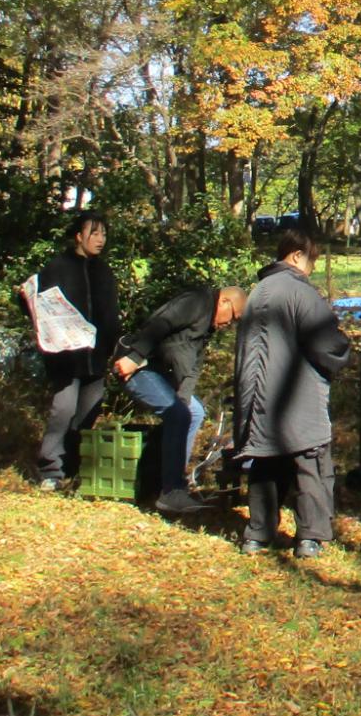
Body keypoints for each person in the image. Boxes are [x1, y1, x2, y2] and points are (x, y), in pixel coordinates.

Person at [230, 220, 350, 557]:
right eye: (311, 261)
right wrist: (344, 352)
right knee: (309, 461)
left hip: (257, 396)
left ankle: (257, 535)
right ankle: (310, 537)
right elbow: (327, 343)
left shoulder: (259, 291)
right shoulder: (300, 291)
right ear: (297, 256)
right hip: (296, 394)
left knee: (265, 462)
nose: (311, 269)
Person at [112, 282, 246, 515]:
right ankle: (171, 491)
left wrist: (183, 397)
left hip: (160, 375)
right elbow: (159, 323)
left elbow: (193, 368)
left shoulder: (207, 328)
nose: (229, 324)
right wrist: (134, 357)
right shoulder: (197, 301)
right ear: (224, 301)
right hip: (138, 368)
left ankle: (169, 485)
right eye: (233, 317)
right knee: (178, 414)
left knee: (192, 412)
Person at [28, 211, 120, 492]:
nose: (100, 239)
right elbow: (38, 304)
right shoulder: (58, 267)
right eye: (94, 233)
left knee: (87, 414)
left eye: (103, 234)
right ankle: (50, 469)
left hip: (97, 357)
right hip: (66, 357)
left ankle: (73, 467)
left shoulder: (104, 271)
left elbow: (111, 314)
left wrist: (113, 346)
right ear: (79, 236)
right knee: (63, 409)